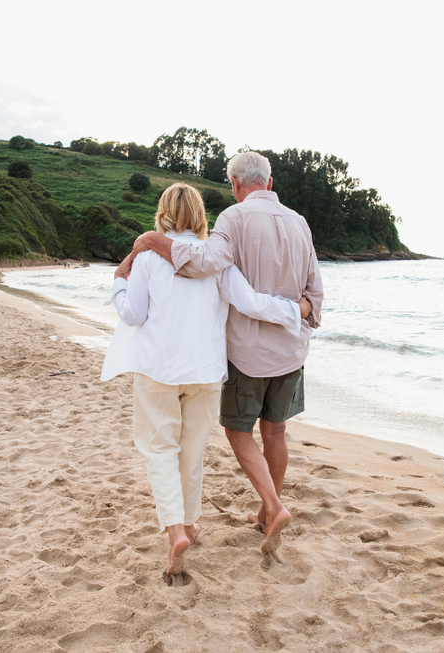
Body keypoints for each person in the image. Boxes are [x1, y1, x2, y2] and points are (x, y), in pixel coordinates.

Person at [101, 183, 310, 577]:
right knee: (191, 452)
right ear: (200, 216)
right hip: (207, 372)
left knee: (160, 451)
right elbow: (249, 303)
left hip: (159, 371)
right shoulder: (219, 264)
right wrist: (297, 310)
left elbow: (132, 315)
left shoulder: (147, 259)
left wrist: (117, 282)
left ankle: (177, 531)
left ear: (162, 214)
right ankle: (192, 524)